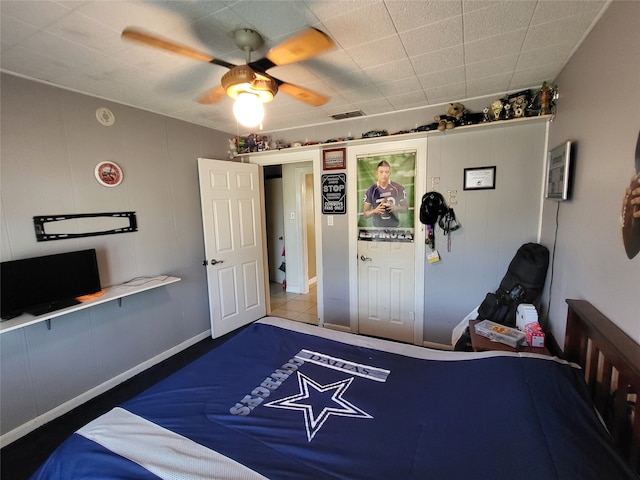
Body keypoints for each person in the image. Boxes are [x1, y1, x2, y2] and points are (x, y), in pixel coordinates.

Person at [363, 160, 408, 228]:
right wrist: (375, 210)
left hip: (394, 228)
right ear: (377, 173)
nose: (384, 175)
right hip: (377, 229)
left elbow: (405, 209)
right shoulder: (371, 190)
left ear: (390, 173)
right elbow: (365, 214)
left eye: (386, 172)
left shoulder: (398, 188)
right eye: (381, 172)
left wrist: (395, 208)